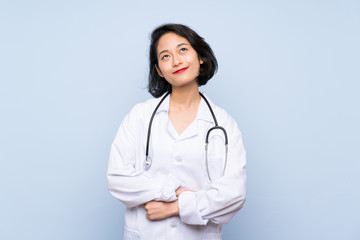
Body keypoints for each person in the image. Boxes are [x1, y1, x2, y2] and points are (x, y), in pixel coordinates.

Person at [107, 23, 246, 240]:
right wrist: (173, 189)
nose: (176, 61)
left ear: (200, 57)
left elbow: (234, 195)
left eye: (183, 50)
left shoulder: (224, 124)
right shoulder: (140, 116)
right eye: (165, 56)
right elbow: (117, 178)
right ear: (159, 71)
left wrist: (176, 207)